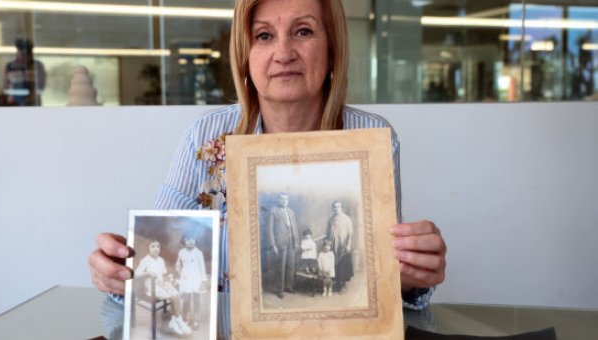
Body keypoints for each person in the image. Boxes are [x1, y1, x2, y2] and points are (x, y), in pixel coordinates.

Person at [89, 0, 446, 337]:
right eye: (263, 36)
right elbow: (163, 263)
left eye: (303, 31)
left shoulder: (371, 138)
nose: (283, 53)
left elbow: (379, 282)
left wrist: (411, 276)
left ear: (333, 48)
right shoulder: (205, 135)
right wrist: (120, 273)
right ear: (245, 56)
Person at [134, 241, 191, 336]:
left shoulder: (160, 260)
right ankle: (178, 321)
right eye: (153, 246)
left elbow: (163, 274)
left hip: (162, 285)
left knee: (176, 295)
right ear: (149, 248)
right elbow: (136, 274)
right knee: (173, 297)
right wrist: (147, 273)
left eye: (158, 247)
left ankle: (175, 321)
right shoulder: (145, 260)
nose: (156, 249)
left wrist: (167, 280)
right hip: (152, 288)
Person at [267, 193, 300, 298]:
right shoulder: (273, 211)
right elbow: (270, 229)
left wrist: (297, 242)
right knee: (281, 267)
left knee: (291, 266)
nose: (284, 201)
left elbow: (294, 227)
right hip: (280, 243)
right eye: (281, 199)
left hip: (291, 242)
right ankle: (280, 289)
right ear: (278, 200)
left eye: (286, 199)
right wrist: (273, 245)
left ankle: (288, 286)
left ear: (288, 200)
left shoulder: (291, 212)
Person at [175, 232, 207, 329]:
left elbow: (202, 267)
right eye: (188, 239)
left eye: (192, 238)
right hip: (186, 279)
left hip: (196, 278)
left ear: (196, 240)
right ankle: (186, 319)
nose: (190, 241)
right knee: (186, 300)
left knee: (196, 300)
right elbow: (178, 265)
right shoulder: (181, 252)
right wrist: (180, 272)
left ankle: (196, 320)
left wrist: (203, 281)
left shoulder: (199, 253)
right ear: (184, 241)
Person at [3, 38, 46, 106]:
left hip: (32, 105)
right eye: (21, 53)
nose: (24, 57)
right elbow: (6, 86)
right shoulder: (10, 66)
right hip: (14, 105)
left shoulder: (37, 66)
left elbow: (40, 86)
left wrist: (32, 98)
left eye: (26, 54)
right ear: (17, 52)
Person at [326, 200, 353, 292]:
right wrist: (328, 244)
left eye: (338, 207)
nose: (336, 208)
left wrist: (348, 245)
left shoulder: (346, 219)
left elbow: (350, 233)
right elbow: (327, 233)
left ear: (341, 208)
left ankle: (342, 285)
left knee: (343, 265)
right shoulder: (330, 219)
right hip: (333, 245)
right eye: (335, 207)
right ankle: (337, 283)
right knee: (334, 265)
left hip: (343, 245)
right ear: (333, 208)